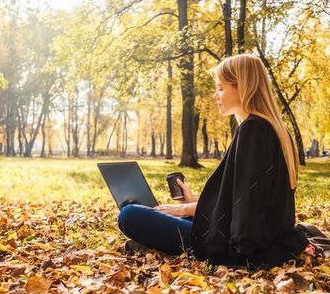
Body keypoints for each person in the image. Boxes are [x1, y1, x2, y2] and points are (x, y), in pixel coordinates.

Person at [117, 54, 313, 268]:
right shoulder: (271, 128)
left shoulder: (253, 129)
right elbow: (245, 197)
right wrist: (196, 204)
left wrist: (185, 210)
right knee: (161, 216)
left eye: (221, 88)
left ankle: (154, 242)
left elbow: (246, 210)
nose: (214, 95)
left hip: (231, 244)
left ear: (243, 87)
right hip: (251, 235)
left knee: (129, 215)